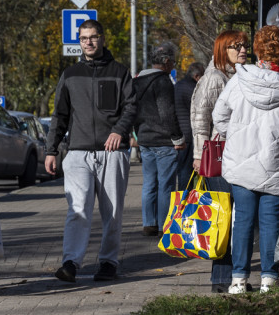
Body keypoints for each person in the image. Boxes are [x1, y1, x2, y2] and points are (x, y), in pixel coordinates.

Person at [212, 25, 279, 294]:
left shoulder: (239, 81)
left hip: (241, 164)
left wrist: (233, 136)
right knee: (271, 223)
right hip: (276, 166)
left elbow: (219, 116)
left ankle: (238, 280)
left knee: (242, 221)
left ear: (257, 50)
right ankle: (269, 278)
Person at [45, 18, 137, 282]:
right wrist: (51, 150)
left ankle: (108, 262)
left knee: (113, 211)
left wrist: (119, 131)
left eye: (93, 37)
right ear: (79, 42)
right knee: (78, 210)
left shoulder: (120, 72)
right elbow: (59, 115)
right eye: (84, 38)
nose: (88, 42)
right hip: (77, 153)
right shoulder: (70, 75)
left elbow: (131, 106)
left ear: (102, 38)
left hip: (113, 153)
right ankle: (71, 263)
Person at [190, 30, 248, 293]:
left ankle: (233, 277)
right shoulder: (215, 77)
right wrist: (199, 154)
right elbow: (200, 117)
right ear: (223, 50)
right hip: (218, 155)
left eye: (245, 45)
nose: (243, 50)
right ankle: (222, 280)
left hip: (236, 154)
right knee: (223, 217)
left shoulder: (240, 76)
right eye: (236, 46)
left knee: (235, 216)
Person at [133, 43, 183, 237]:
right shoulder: (163, 81)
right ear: (166, 61)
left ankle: (149, 223)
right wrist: (177, 137)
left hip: (145, 139)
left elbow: (132, 112)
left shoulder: (136, 81)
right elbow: (167, 112)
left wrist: (138, 134)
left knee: (149, 183)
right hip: (163, 140)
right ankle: (165, 225)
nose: (173, 65)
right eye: (173, 61)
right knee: (167, 185)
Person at [174, 61, 205, 192]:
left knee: (182, 172)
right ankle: (188, 201)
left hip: (179, 134)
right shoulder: (193, 89)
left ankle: (182, 200)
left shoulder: (178, 85)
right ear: (197, 76)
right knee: (188, 172)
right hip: (190, 135)